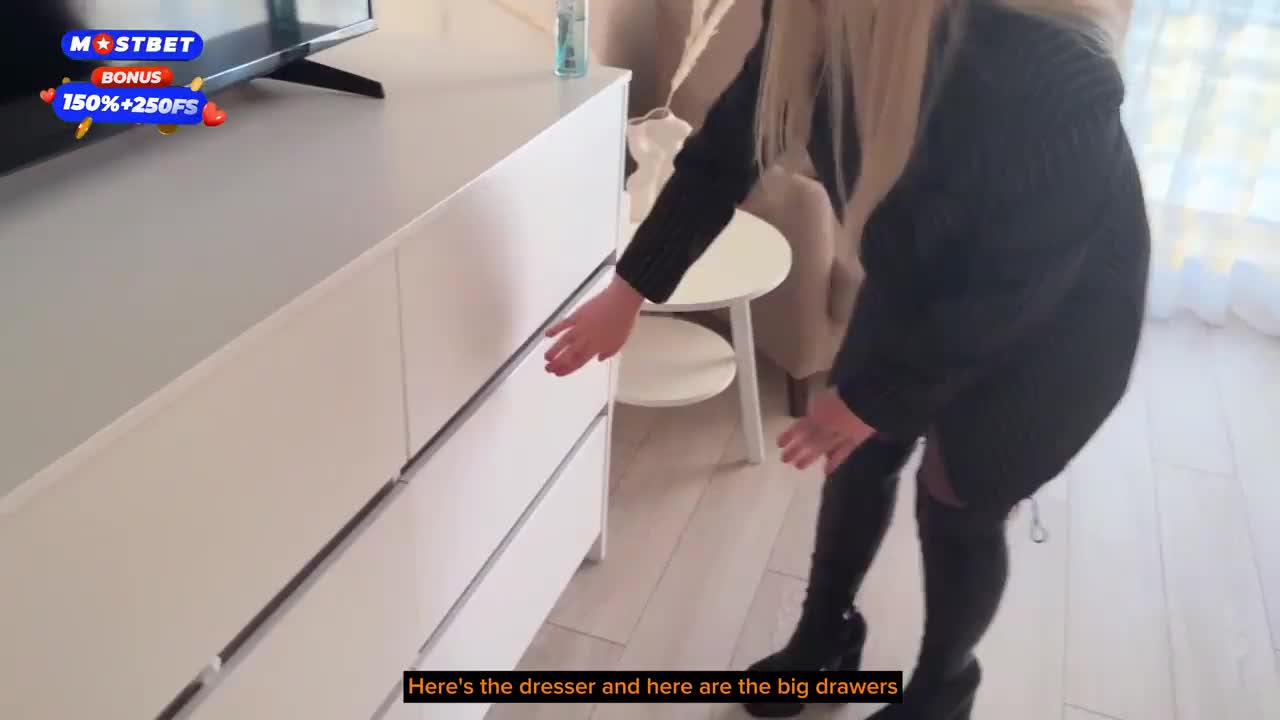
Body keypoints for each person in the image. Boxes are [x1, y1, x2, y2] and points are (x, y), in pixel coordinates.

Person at [544, 0, 1149, 717]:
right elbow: (730, 148)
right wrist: (630, 291)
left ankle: (943, 689)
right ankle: (824, 639)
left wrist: (875, 398)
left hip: (1056, 323)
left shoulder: (1053, 67)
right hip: (921, 272)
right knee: (856, 458)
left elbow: (1013, 288)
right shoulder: (812, 15)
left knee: (958, 501)